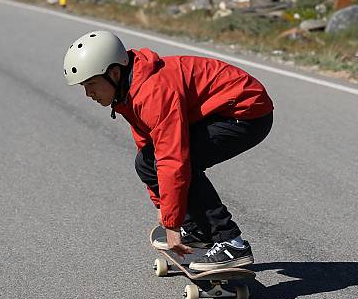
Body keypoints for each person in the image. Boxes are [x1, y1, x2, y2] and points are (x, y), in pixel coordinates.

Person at [63, 30, 274, 271]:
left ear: (113, 73)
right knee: (145, 161)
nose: (88, 93)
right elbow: (148, 146)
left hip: (245, 111)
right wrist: (163, 205)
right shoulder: (128, 88)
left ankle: (230, 243)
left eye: (91, 84)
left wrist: (172, 224)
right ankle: (196, 229)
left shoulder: (152, 92)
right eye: (84, 86)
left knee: (185, 162)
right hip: (220, 110)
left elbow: (172, 160)